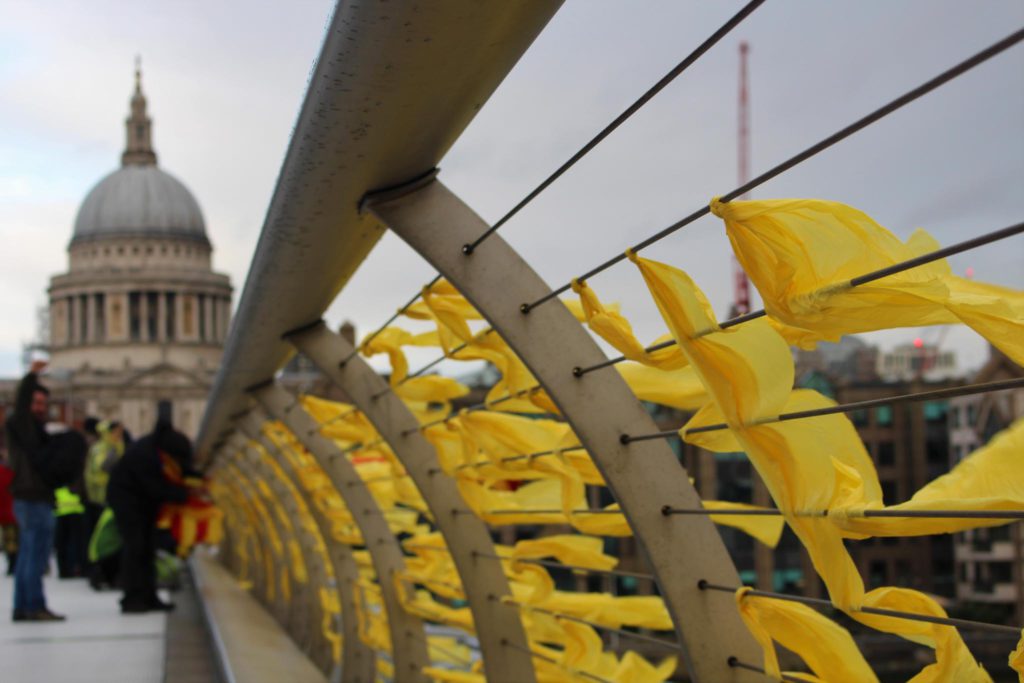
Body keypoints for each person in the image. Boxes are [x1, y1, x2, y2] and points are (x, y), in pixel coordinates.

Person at [106, 418, 192, 613]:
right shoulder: (145, 455)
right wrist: (186, 495)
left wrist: (194, 479)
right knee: (135, 548)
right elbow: (155, 487)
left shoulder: (154, 448)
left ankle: (148, 596)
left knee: (146, 549)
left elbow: (175, 474)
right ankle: (132, 598)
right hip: (127, 504)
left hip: (141, 504)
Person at [4, 361, 64, 621]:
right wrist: (31, 375)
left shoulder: (35, 430)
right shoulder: (21, 424)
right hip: (31, 498)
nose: (40, 408)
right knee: (34, 556)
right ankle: (33, 606)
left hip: (35, 497)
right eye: (36, 402)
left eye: (43, 404)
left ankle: (24, 606)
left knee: (30, 555)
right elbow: (21, 403)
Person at [84, 420, 124, 589]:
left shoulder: (112, 447)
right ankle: (100, 573)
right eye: (117, 433)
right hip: (101, 498)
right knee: (102, 538)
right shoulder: (103, 448)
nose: (119, 436)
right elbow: (104, 467)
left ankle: (106, 573)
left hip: (107, 497)